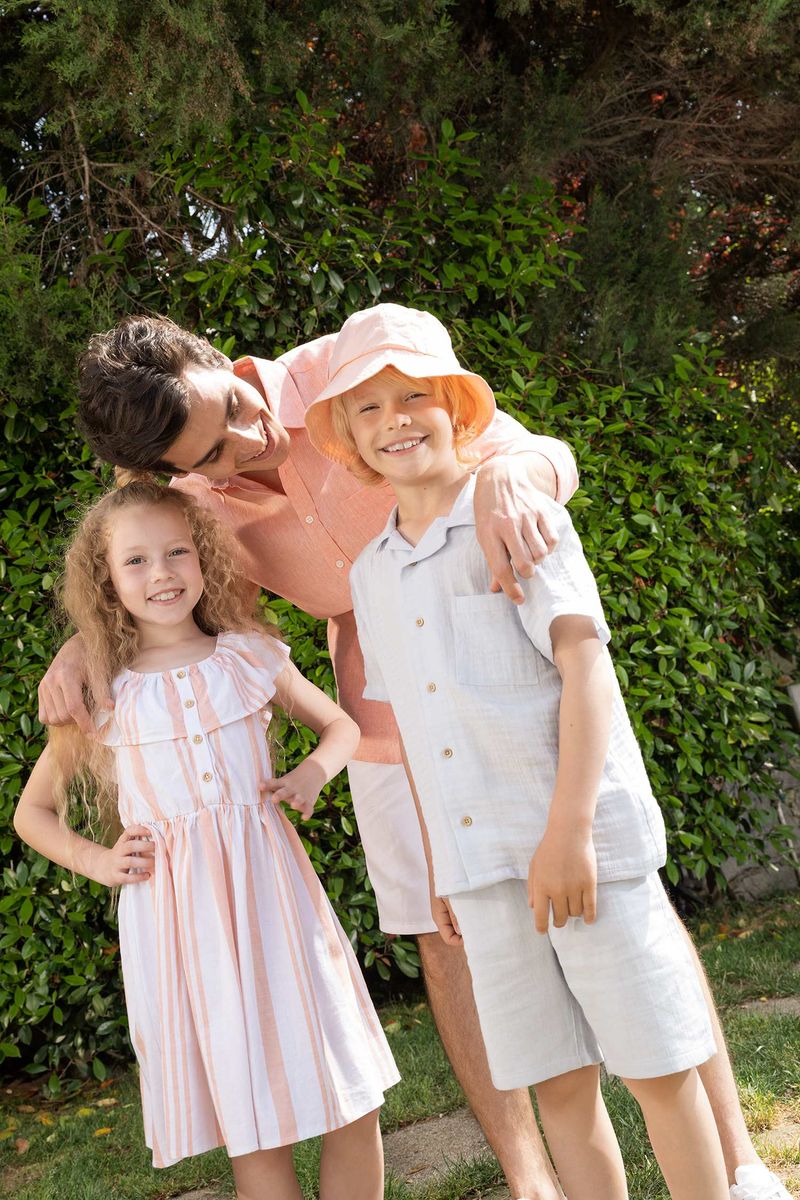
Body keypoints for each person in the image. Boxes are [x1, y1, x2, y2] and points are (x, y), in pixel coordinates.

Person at [37, 308, 787, 1200]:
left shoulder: (351, 376)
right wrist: (84, 644)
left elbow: (526, 447)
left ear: (222, 362)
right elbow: (141, 568)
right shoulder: (189, 503)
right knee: (450, 934)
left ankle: (738, 1164)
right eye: (214, 453)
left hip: (507, 686)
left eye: (234, 407)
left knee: (630, 925)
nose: (250, 438)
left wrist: (511, 472)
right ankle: (531, 1182)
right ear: (173, 468)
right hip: (387, 716)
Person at [307, 303, 794, 1200]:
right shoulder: (370, 577)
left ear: (457, 405)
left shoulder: (516, 517)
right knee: (560, 1087)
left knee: (658, 1068)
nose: (394, 421)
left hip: (583, 849)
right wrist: (441, 866)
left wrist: (569, 832)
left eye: (414, 397)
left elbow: (584, 665)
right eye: (367, 409)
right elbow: (414, 732)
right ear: (346, 434)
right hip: (482, 873)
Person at [16, 478, 399, 1200]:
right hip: (182, 926)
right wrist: (98, 860)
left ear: (204, 557)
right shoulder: (101, 692)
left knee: (350, 1090)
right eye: (135, 561)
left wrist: (314, 772)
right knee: (251, 1122)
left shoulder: (249, 657)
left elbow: (341, 726)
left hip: (276, 904)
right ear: (106, 580)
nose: (160, 573)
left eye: (176, 552)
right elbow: (31, 813)